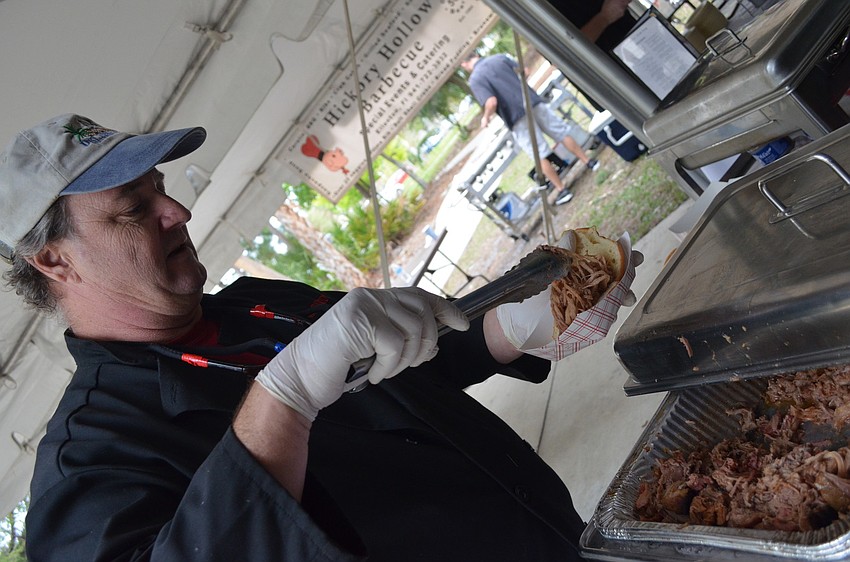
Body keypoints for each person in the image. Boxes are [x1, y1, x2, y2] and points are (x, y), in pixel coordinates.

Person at [1, 114, 640, 561]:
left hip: (559, 537)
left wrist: (517, 327)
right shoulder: (91, 452)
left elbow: (414, 378)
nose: (179, 214)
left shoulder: (259, 304)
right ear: (55, 261)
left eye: (161, 190)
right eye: (134, 209)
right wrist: (285, 398)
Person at [461, 52, 600, 206]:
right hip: (532, 100)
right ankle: (589, 162)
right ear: (476, 54)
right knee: (560, 132)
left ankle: (562, 190)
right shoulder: (499, 58)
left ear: (464, 64)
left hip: (515, 116)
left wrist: (485, 117)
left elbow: (491, 102)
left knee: (539, 153)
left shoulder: (475, 79)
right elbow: (525, 71)